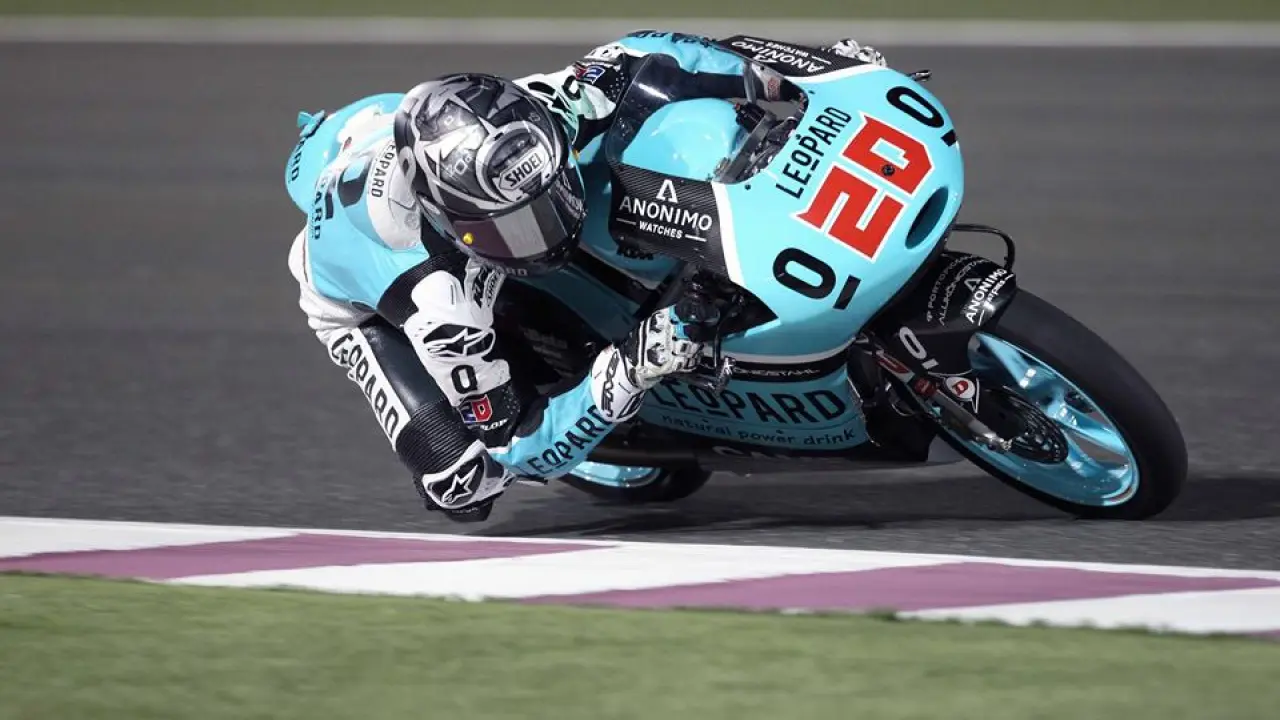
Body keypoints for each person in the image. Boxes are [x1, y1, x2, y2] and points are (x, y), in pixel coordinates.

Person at [284, 31, 888, 522]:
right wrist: (632, 368)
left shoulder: (547, 109)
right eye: (513, 228)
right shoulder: (438, 302)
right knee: (465, 482)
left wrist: (788, 75)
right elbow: (514, 443)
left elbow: (651, 54)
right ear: (453, 223)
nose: (545, 233)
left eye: (548, 203)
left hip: (390, 131)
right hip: (360, 300)